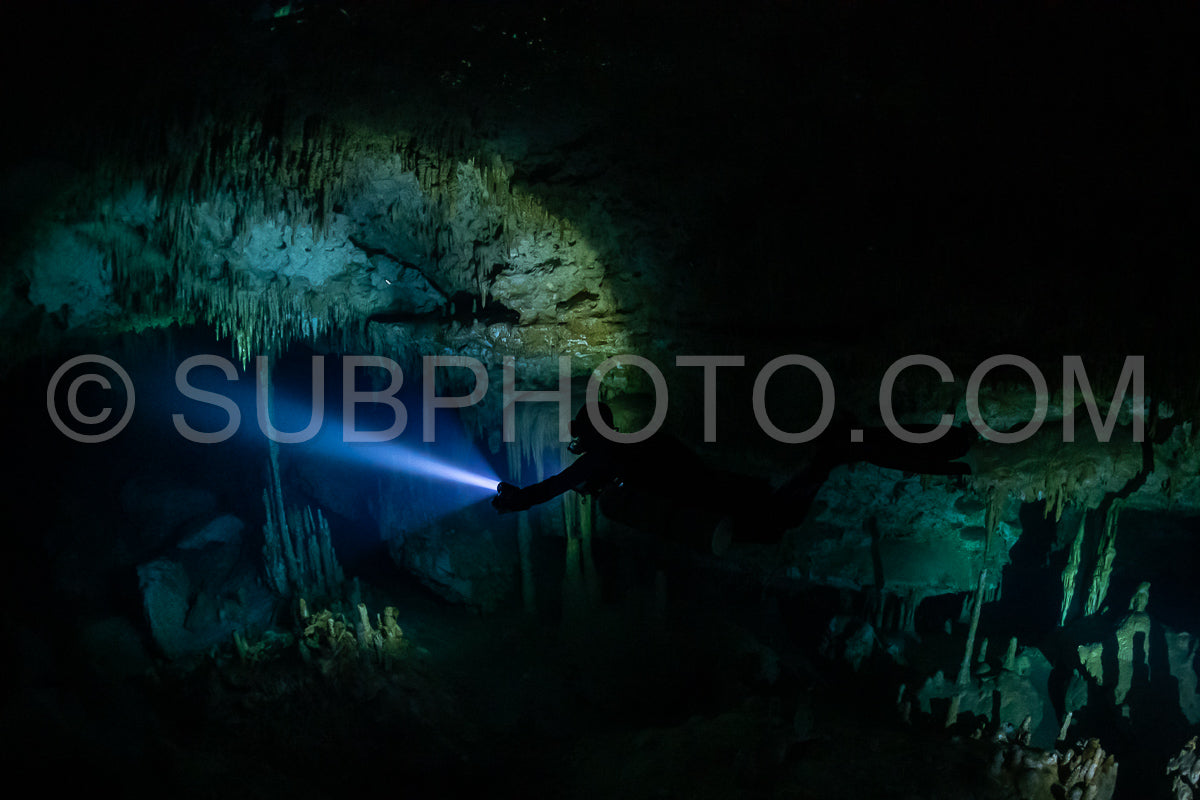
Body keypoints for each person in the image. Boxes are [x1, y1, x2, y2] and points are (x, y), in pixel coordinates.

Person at [492, 402, 976, 552]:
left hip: (717, 504)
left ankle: (844, 452)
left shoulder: (606, 456)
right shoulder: (635, 441)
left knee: (790, 509)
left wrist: (518, 499)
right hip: (721, 491)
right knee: (792, 508)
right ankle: (937, 448)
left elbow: (556, 485)